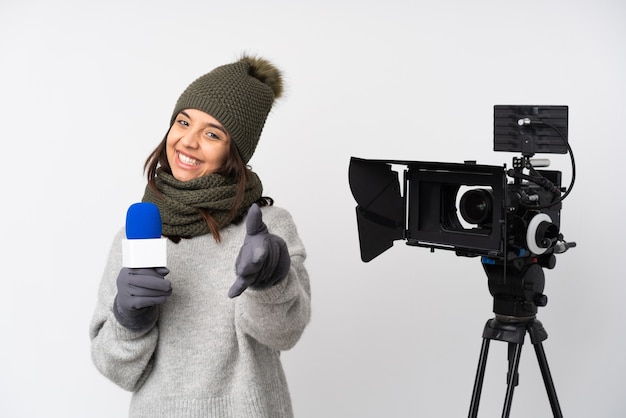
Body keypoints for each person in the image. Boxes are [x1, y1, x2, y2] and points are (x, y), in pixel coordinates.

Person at [89, 54, 311, 418]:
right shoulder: (137, 235)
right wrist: (129, 320)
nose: (187, 142)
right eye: (182, 122)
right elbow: (118, 370)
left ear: (234, 152)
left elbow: (285, 334)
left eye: (212, 133)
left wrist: (270, 283)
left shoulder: (268, 227)